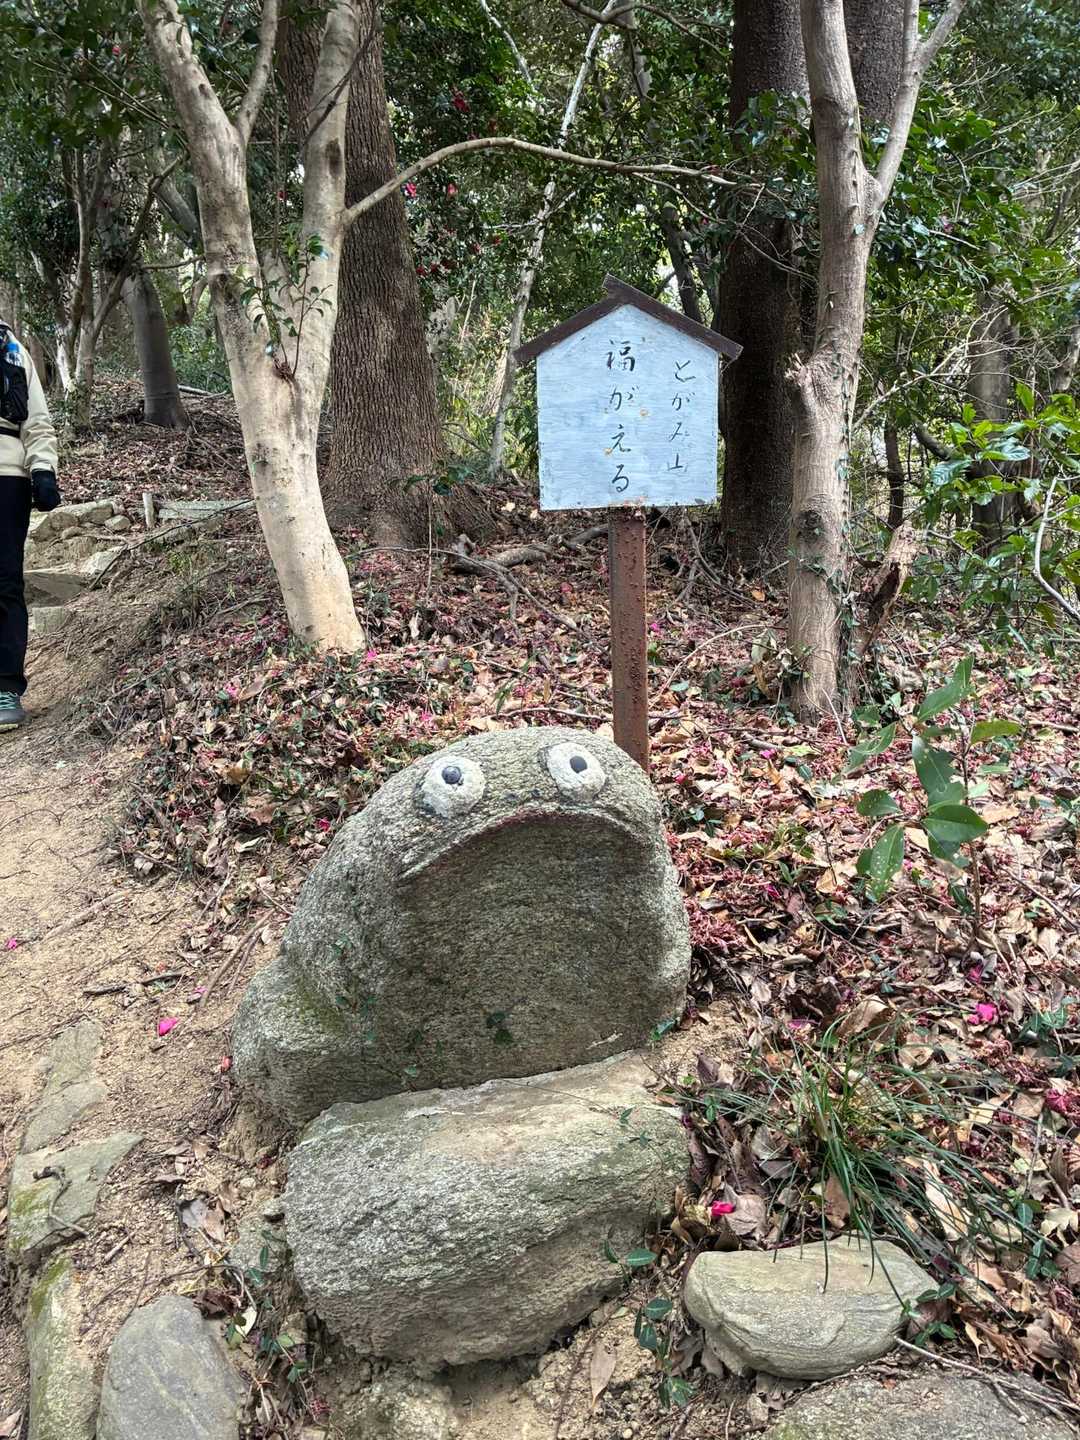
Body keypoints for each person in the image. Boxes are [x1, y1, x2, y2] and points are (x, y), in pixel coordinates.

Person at [0, 317, 60, 731]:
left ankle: (5, 686)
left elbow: (36, 420)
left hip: (7, 476)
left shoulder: (12, 351)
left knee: (4, 582)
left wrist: (43, 469)